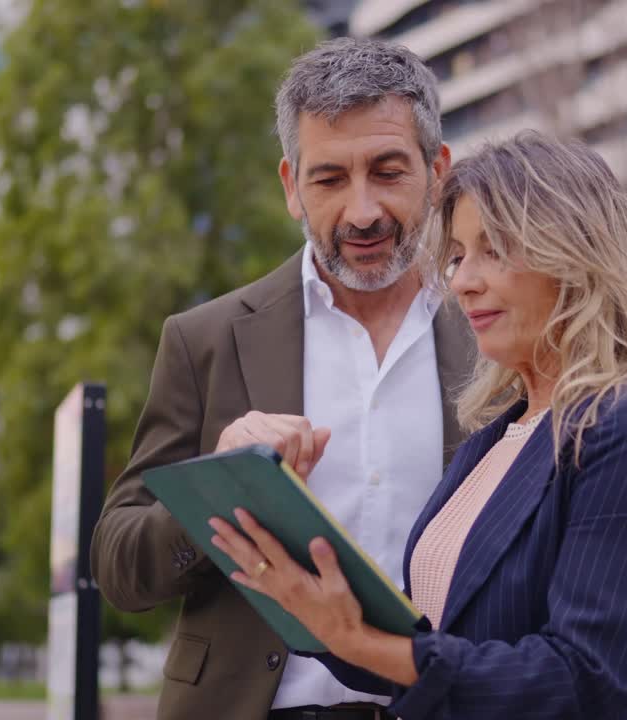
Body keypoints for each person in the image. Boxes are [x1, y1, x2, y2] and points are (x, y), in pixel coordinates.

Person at [209, 132, 627, 720]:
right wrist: (314, 606)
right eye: (457, 256)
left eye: (495, 250)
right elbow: (441, 649)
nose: (461, 280)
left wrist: (361, 641)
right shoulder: (490, 441)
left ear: (578, 254)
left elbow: (583, 678)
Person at [91, 38, 474, 720]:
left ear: (437, 172)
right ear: (291, 188)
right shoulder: (205, 340)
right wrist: (219, 482)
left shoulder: (495, 337)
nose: (362, 212)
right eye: (329, 180)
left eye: (388, 172)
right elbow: (119, 565)